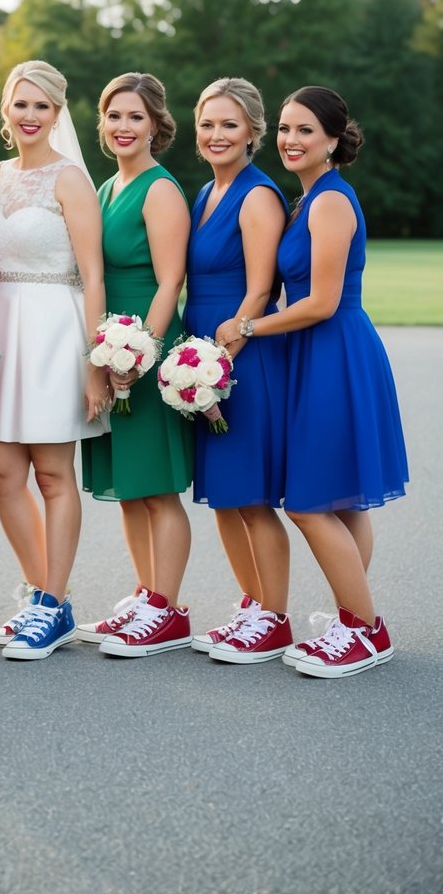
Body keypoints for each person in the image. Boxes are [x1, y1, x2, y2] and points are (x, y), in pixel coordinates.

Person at [217, 86, 408, 678]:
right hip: (310, 352)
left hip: (334, 350)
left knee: (306, 502)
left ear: (332, 138)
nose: (290, 140)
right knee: (342, 499)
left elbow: (322, 302)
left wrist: (248, 324)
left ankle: (366, 630)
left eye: (305, 130)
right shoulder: (306, 202)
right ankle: (353, 616)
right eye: (284, 128)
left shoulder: (329, 203)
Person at [0, 59, 105, 660]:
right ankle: (42, 595)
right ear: (5, 109)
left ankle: (53, 605)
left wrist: (95, 360)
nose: (30, 116)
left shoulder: (71, 180)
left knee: (54, 476)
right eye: (20, 104)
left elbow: (93, 273)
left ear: (57, 114)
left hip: (56, 327)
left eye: (42, 106)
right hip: (0, 326)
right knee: (3, 474)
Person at [80, 72, 194, 657]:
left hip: (148, 341)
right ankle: (147, 594)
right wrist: (102, 356)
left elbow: (171, 280)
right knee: (129, 486)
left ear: (155, 125)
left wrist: (139, 354)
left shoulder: (160, 190)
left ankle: (168, 610)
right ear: (101, 122)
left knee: (158, 488)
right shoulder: (104, 189)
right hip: (110, 343)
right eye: (114, 116)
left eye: (136, 117)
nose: (123, 127)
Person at [183, 77, 292, 664]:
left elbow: (260, 291)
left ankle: (274, 619)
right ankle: (252, 607)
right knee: (225, 496)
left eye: (229, 124)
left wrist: (214, 367)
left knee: (252, 498)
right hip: (203, 354)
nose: (216, 134)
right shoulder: (206, 194)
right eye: (208, 123)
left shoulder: (257, 197)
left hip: (239, 361)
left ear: (253, 130)